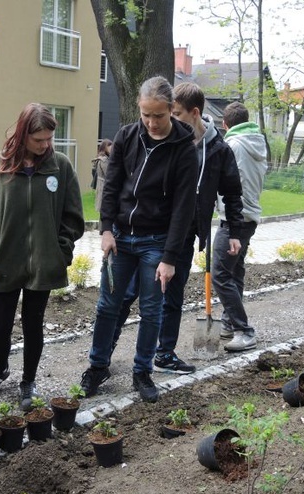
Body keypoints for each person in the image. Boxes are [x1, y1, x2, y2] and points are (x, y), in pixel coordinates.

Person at [78, 76, 198, 403]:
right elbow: (111, 187)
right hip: (120, 238)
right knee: (107, 306)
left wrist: (170, 257)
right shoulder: (128, 137)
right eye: (146, 115)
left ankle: (142, 371)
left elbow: (183, 209)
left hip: (156, 243)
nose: (151, 123)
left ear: (172, 110)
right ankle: (98, 366)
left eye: (158, 115)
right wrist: (105, 230)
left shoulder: (185, 151)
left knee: (151, 309)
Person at [111, 82, 244, 373]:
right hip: (151, 232)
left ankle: (164, 353)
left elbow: (232, 192)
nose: (168, 119)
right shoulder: (161, 141)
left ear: (193, 113)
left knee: (172, 297)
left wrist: (233, 230)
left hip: (184, 236)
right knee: (127, 292)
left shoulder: (219, 150)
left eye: (176, 113)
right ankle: (106, 349)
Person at [0, 103, 84, 410]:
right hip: (4, 261)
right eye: (39, 140)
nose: (45, 145)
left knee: (33, 325)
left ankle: (28, 380)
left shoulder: (60, 166)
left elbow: (73, 215)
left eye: (49, 139)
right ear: (23, 135)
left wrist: (61, 250)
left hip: (44, 265)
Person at [213, 101, 267, 352]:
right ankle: (228, 323)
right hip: (249, 216)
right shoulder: (256, 142)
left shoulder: (233, 145)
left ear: (225, 125)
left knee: (221, 275)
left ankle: (244, 331)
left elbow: (227, 183)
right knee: (235, 272)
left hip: (235, 219)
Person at [92, 138, 113, 212]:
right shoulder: (103, 160)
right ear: (104, 147)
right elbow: (109, 174)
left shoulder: (105, 159)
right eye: (109, 145)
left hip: (103, 187)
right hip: (104, 188)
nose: (111, 147)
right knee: (105, 212)